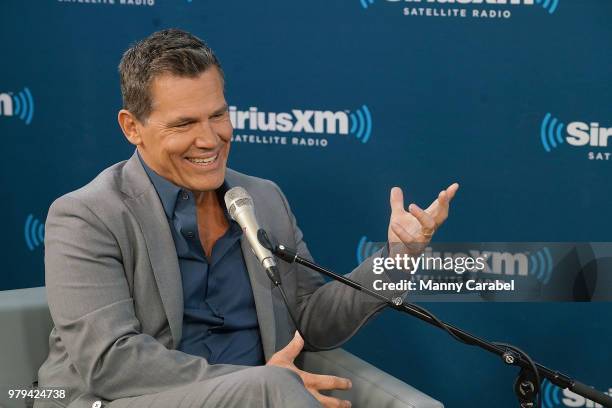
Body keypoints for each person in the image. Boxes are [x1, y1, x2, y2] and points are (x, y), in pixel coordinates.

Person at [36, 29, 459, 408]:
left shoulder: (262, 198)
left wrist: (398, 257)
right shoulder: (87, 216)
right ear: (132, 127)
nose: (210, 138)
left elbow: (309, 321)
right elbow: (113, 363)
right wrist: (262, 383)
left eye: (218, 115)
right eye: (184, 123)